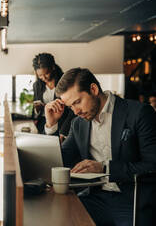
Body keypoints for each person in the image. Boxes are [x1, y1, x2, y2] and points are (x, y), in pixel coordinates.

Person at [44, 68, 156, 226]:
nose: (76, 112)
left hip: (132, 200)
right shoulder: (78, 124)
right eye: (70, 107)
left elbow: (152, 166)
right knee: (57, 217)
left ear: (93, 89)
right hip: (95, 198)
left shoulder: (139, 113)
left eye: (77, 102)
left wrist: (105, 168)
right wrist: (51, 125)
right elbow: (60, 161)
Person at [31, 53, 74, 138]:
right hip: (44, 124)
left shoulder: (65, 82)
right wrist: (37, 110)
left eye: (46, 73)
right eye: (40, 75)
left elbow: (71, 110)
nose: (44, 78)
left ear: (53, 67)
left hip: (63, 123)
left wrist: (64, 132)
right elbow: (36, 110)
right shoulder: (37, 85)